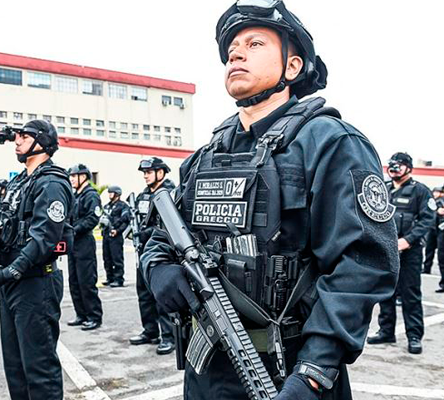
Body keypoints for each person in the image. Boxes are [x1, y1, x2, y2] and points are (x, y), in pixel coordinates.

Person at [141, 1, 399, 398]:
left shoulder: (330, 143)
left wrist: (314, 372)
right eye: (232, 50)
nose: (236, 54)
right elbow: (162, 234)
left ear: (292, 67)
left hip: (289, 370)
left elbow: (363, 264)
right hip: (206, 370)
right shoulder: (206, 156)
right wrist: (158, 267)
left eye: (255, 44)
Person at [0, 119, 73, 400]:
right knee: (15, 366)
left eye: (24, 136)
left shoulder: (52, 183)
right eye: (17, 136)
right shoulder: (18, 182)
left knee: (39, 367)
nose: (17, 141)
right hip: (12, 282)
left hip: (35, 282)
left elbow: (45, 238)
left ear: (42, 142)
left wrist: (12, 271)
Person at [368, 153, 435, 354]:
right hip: (386, 251)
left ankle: (414, 336)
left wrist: (408, 240)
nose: (394, 169)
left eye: (399, 165)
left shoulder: (420, 191)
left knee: (410, 294)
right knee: (386, 293)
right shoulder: (383, 188)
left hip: (410, 252)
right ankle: (386, 331)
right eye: (392, 165)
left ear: (408, 168)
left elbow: (427, 219)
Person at [129, 157, 176, 356]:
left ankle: (169, 336)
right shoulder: (143, 195)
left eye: (149, 172)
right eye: (144, 173)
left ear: (161, 172)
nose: (145, 176)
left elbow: (167, 224)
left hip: (161, 252)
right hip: (143, 251)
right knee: (144, 294)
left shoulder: (170, 193)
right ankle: (150, 331)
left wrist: (145, 233)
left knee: (160, 295)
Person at [66, 163, 104, 331]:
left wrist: (74, 230)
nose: (72, 179)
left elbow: (92, 219)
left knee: (86, 281)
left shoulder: (91, 195)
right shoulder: (75, 196)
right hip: (73, 243)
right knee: (74, 280)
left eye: (74, 176)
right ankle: (81, 314)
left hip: (84, 242)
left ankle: (94, 316)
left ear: (83, 177)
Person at [101, 185, 131, 287]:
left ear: (117, 194)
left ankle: (118, 279)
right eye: (109, 192)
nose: (109, 194)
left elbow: (125, 221)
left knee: (116, 258)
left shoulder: (123, 206)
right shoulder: (107, 206)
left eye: (111, 192)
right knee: (106, 258)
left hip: (116, 236)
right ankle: (109, 278)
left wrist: (117, 231)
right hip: (106, 235)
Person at [423, 186, 443, 274]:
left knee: (441, 253)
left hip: (441, 229)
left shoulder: (440, 201)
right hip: (432, 228)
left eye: (438, 192)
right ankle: (426, 268)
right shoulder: (432, 201)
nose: (436, 194)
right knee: (429, 249)